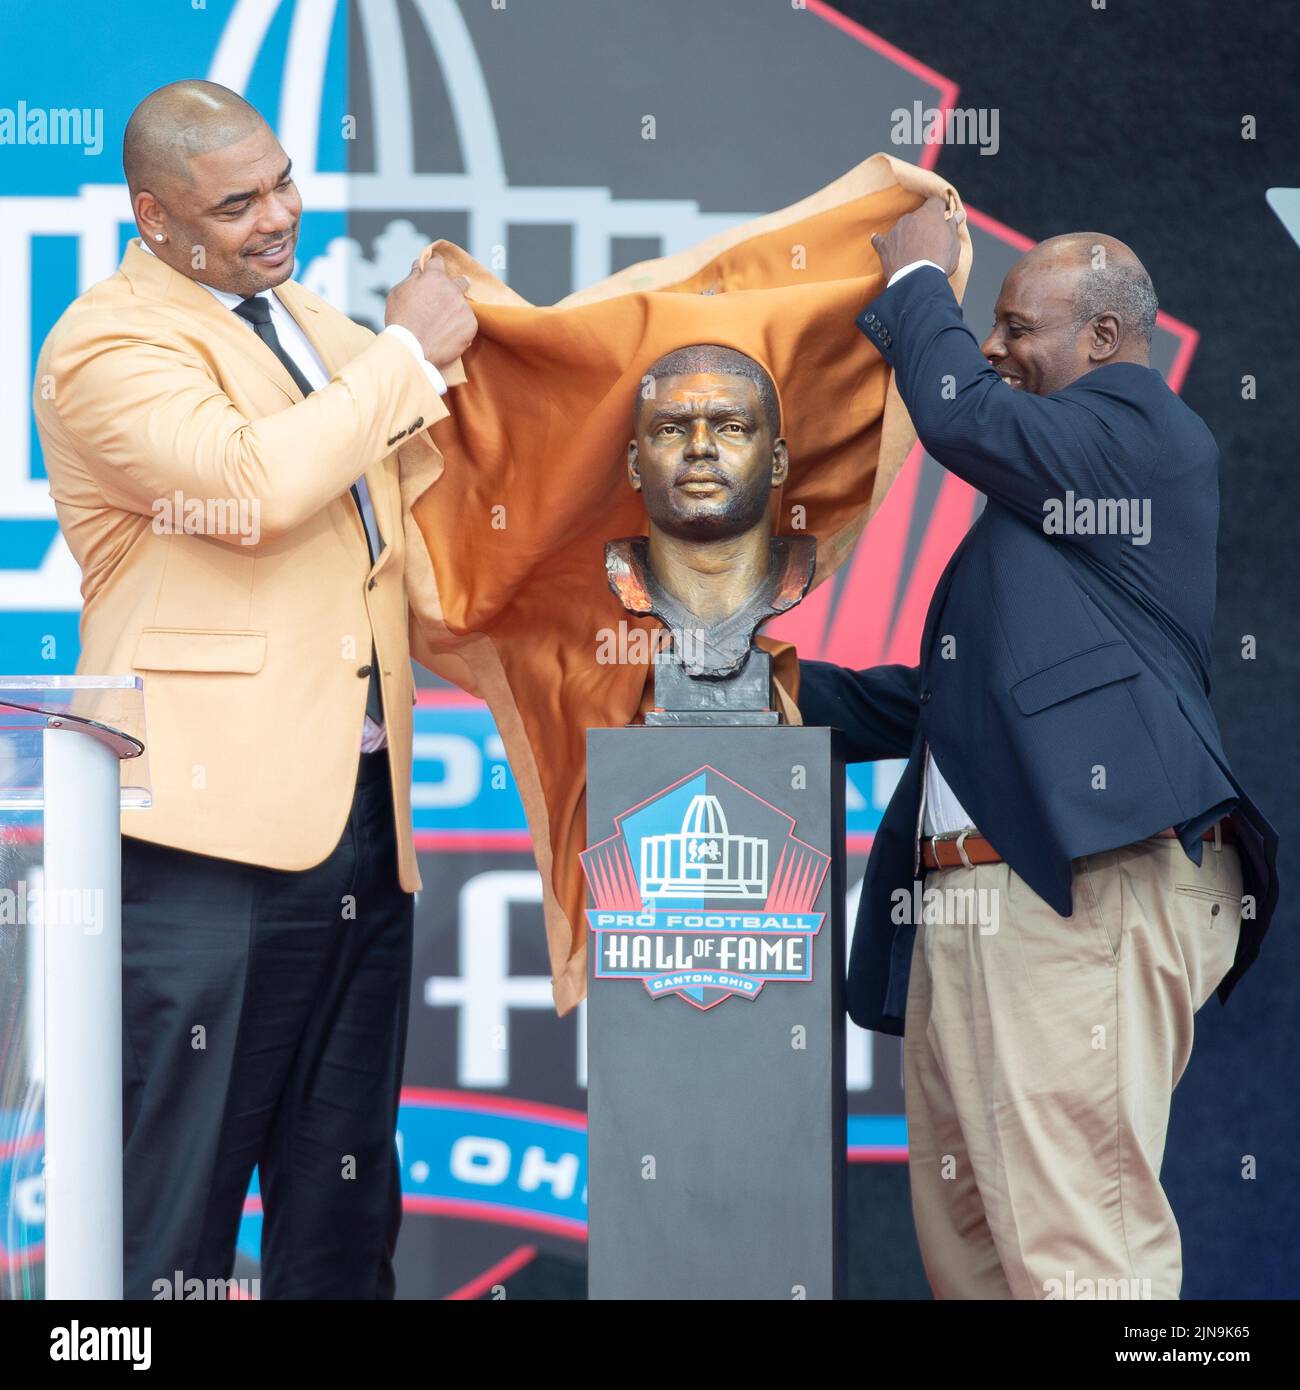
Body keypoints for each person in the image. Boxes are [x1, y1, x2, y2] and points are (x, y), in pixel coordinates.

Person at [33, 79, 476, 1299]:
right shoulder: (105, 341)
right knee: (169, 1213)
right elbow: (244, 488)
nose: (276, 215)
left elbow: (421, 474)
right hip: (204, 839)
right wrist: (399, 355)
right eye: (236, 203)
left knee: (341, 1211)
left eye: (282, 181)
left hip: (359, 825)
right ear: (154, 215)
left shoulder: (307, 328)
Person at [799, 197, 1279, 1300]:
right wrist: (752, 687)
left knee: (1082, 1261)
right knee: (976, 1263)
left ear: (1106, 340)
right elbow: (931, 705)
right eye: (994, 324)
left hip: (1080, 891)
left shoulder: (1142, 434)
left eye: (1020, 326)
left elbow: (958, 413)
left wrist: (922, 285)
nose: (1000, 349)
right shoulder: (1053, 511)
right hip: (983, 909)